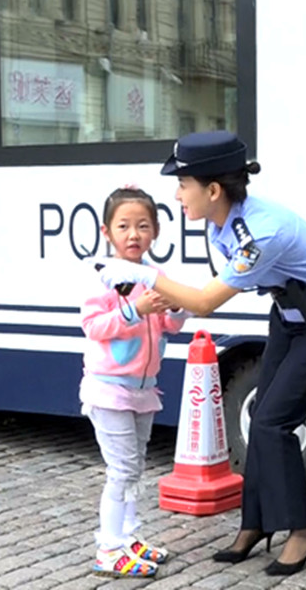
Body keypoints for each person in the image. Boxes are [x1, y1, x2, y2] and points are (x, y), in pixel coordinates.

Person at [96, 131, 306, 577]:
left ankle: (303, 530)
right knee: (261, 417)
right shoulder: (221, 223)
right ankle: (255, 524)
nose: (176, 194)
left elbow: (202, 303)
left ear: (213, 190)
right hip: (291, 315)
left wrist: (141, 274)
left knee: (274, 422)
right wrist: (161, 291)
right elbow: (202, 294)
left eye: (183, 184)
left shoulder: (258, 233)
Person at [80, 186, 189, 578]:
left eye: (142, 226)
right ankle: (108, 548)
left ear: (156, 231)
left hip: (144, 390)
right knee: (121, 470)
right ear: (107, 232)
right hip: (108, 390)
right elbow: (93, 326)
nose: (133, 234)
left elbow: (167, 326)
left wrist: (177, 309)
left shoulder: (153, 278)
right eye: (123, 226)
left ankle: (128, 537)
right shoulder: (105, 278)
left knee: (135, 467)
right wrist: (132, 309)